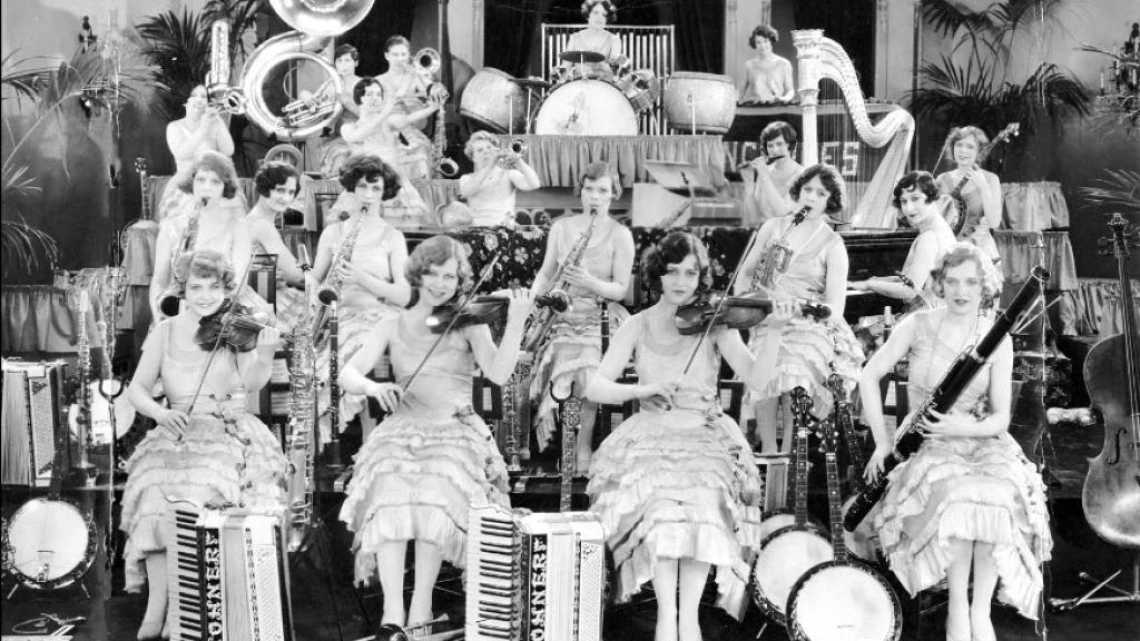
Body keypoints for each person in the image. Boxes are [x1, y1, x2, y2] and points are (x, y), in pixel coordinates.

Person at [587, 232, 794, 641]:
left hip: (704, 433)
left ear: (701, 276)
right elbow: (594, 386)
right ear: (656, 275)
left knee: (702, 506)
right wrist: (639, 391)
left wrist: (773, 333)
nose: (681, 281)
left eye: (691, 272)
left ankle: (689, 620)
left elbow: (756, 377)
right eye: (672, 271)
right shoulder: (637, 323)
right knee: (663, 510)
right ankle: (667, 618)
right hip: (651, 435)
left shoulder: (716, 322)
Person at [338, 235, 534, 628]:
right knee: (388, 489)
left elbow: (496, 375)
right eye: (433, 274)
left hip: (453, 429)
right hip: (403, 429)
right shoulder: (391, 322)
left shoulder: (469, 323)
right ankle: (392, 613)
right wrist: (374, 387)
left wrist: (515, 324)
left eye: (449, 276)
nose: (441, 284)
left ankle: (421, 607)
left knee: (434, 492)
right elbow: (348, 373)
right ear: (418, 274)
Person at [861, 243, 1051, 641]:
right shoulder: (917, 324)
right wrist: (881, 443)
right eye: (952, 281)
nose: (960, 291)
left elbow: (1000, 417)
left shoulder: (996, 335)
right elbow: (868, 376)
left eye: (971, 282)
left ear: (985, 286)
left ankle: (979, 611)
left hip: (978, 438)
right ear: (939, 284)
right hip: (925, 440)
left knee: (1000, 495)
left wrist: (960, 429)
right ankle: (957, 613)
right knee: (959, 495)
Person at [120, 250, 286, 641]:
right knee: (152, 493)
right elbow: (137, 390)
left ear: (226, 289)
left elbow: (256, 381)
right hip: (176, 427)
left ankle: (183, 605)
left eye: (214, 287)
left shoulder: (234, 330)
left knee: (194, 493)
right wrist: (160, 415)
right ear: (183, 289)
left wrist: (264, 350)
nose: (206, 295)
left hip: (225, 427)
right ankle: (156, 603)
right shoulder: (164, 331)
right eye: (196, 287)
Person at [733, 163, 864, 453]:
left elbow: (836, 308)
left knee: (796, 365)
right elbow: (745, 272)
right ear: (798, 192)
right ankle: (768, 450)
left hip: (809, 324)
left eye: (820, 193)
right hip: (766, 316)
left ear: (831, 200)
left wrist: (804, 308)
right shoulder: (774, 227)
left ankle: (793, 452)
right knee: (766, 363)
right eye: (807, 189)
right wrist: (745, 303)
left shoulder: (833, 244)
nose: (812, 197)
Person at [529, 161, 635, 472]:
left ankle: (582, 444)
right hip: (562, 313)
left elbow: (620, 290)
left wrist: (591, 282)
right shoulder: (561, 228)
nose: (594, 197)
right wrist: (540, 295)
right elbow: (546, 272)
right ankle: (561, 443)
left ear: (613, 194)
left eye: (602, 190)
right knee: (562, 354)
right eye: (588, 189)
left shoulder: (620, 235)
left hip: (601, 316)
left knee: (589, 361)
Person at [312, 155, 412, 438]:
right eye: (362, 187)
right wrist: (317, 292)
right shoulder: (332, 233)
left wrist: (362, 278)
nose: (368, 195)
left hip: (379, 315)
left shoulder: (393, 237)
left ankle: (371, 436)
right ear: (352, 190)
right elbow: (315, 277)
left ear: (384, 193)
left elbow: (404, 296)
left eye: (375, 189)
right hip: (338, 314)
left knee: (359, 343)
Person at [149, 151, 258, 324]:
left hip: (225, 311)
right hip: (177, 313)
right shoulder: (171, 226)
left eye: (215, 181)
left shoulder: (238, 226)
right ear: (191, 183)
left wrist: (205, 307)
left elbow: (238, 285)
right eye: (201, 180)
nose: (207, 187)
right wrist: (159, 318)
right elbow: (159, 281)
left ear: (225, 187)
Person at [849, 171, 957, 310]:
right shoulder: (940, 229)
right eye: (904, 201)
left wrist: (869, 285)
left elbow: (910, 290)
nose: (909, 208)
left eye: (915, 198)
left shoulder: (929, 238)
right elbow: (911, 278)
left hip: (929, 317)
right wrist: (876, 281)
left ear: (932, 198)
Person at [246, 161, 310, 331]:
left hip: (263, 295)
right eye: (280, 190)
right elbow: (295, 275)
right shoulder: (261, 224)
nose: (286, 198)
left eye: (291, 192)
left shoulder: (258, 220)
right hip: (267, 300)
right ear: (265, 188)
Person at [159, 84, 237, 221]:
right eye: (194, 96)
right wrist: (203, 127)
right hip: (184, 186)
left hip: (211, 185)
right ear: (185, 101)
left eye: (203, 96)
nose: (199, 100)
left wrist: (218, 121)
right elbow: (182, 154)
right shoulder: (174, 127)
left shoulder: (214, 124)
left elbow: (228, 151)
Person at [936, 126, 1003, 266]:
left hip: (980, 251)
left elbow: (994, 222)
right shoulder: (942, 180)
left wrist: (983, 186)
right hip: (946, 249)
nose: (963, 150)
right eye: (959, 145)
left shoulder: (991, 179)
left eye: (970, 147)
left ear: (979, 152)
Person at [457, 132, 541, 227]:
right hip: (478, 230)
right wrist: (491, 164)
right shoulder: (466, 178)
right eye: (480, 150)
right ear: (474, 158)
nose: (486, 151)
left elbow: (534, 184)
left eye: (489, 147)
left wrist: (518, 161)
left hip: (505, 230)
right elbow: (466, 192)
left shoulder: (508, 174)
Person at [741, 120, 803, 225]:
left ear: (790, 145)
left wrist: (765, 176)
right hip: (763, 235)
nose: (775, 150)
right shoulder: (764, 172)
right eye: (770, 145)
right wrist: (749, 183)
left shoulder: (803, 175)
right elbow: (753, 219)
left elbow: (783, 214)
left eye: (779, 144)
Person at [738, 25, 795, 104]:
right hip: (754, 110)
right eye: (758, 42)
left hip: (776, 110)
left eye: (765, 41)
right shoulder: (748, 65)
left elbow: (790, 90)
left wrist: (784, 99)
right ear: (754, 44)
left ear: (771, 41)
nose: (763, 46)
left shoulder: (784, 64)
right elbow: (739, 94)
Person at [564, 0, 623, 75]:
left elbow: (615, 72)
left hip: (604, 84)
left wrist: (600, 64)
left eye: (604, 15)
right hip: (579, 84)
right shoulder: (574, 38)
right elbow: (566, 68)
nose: (599, 18)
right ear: (588, 14)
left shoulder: (614, 40)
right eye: (595, 13)